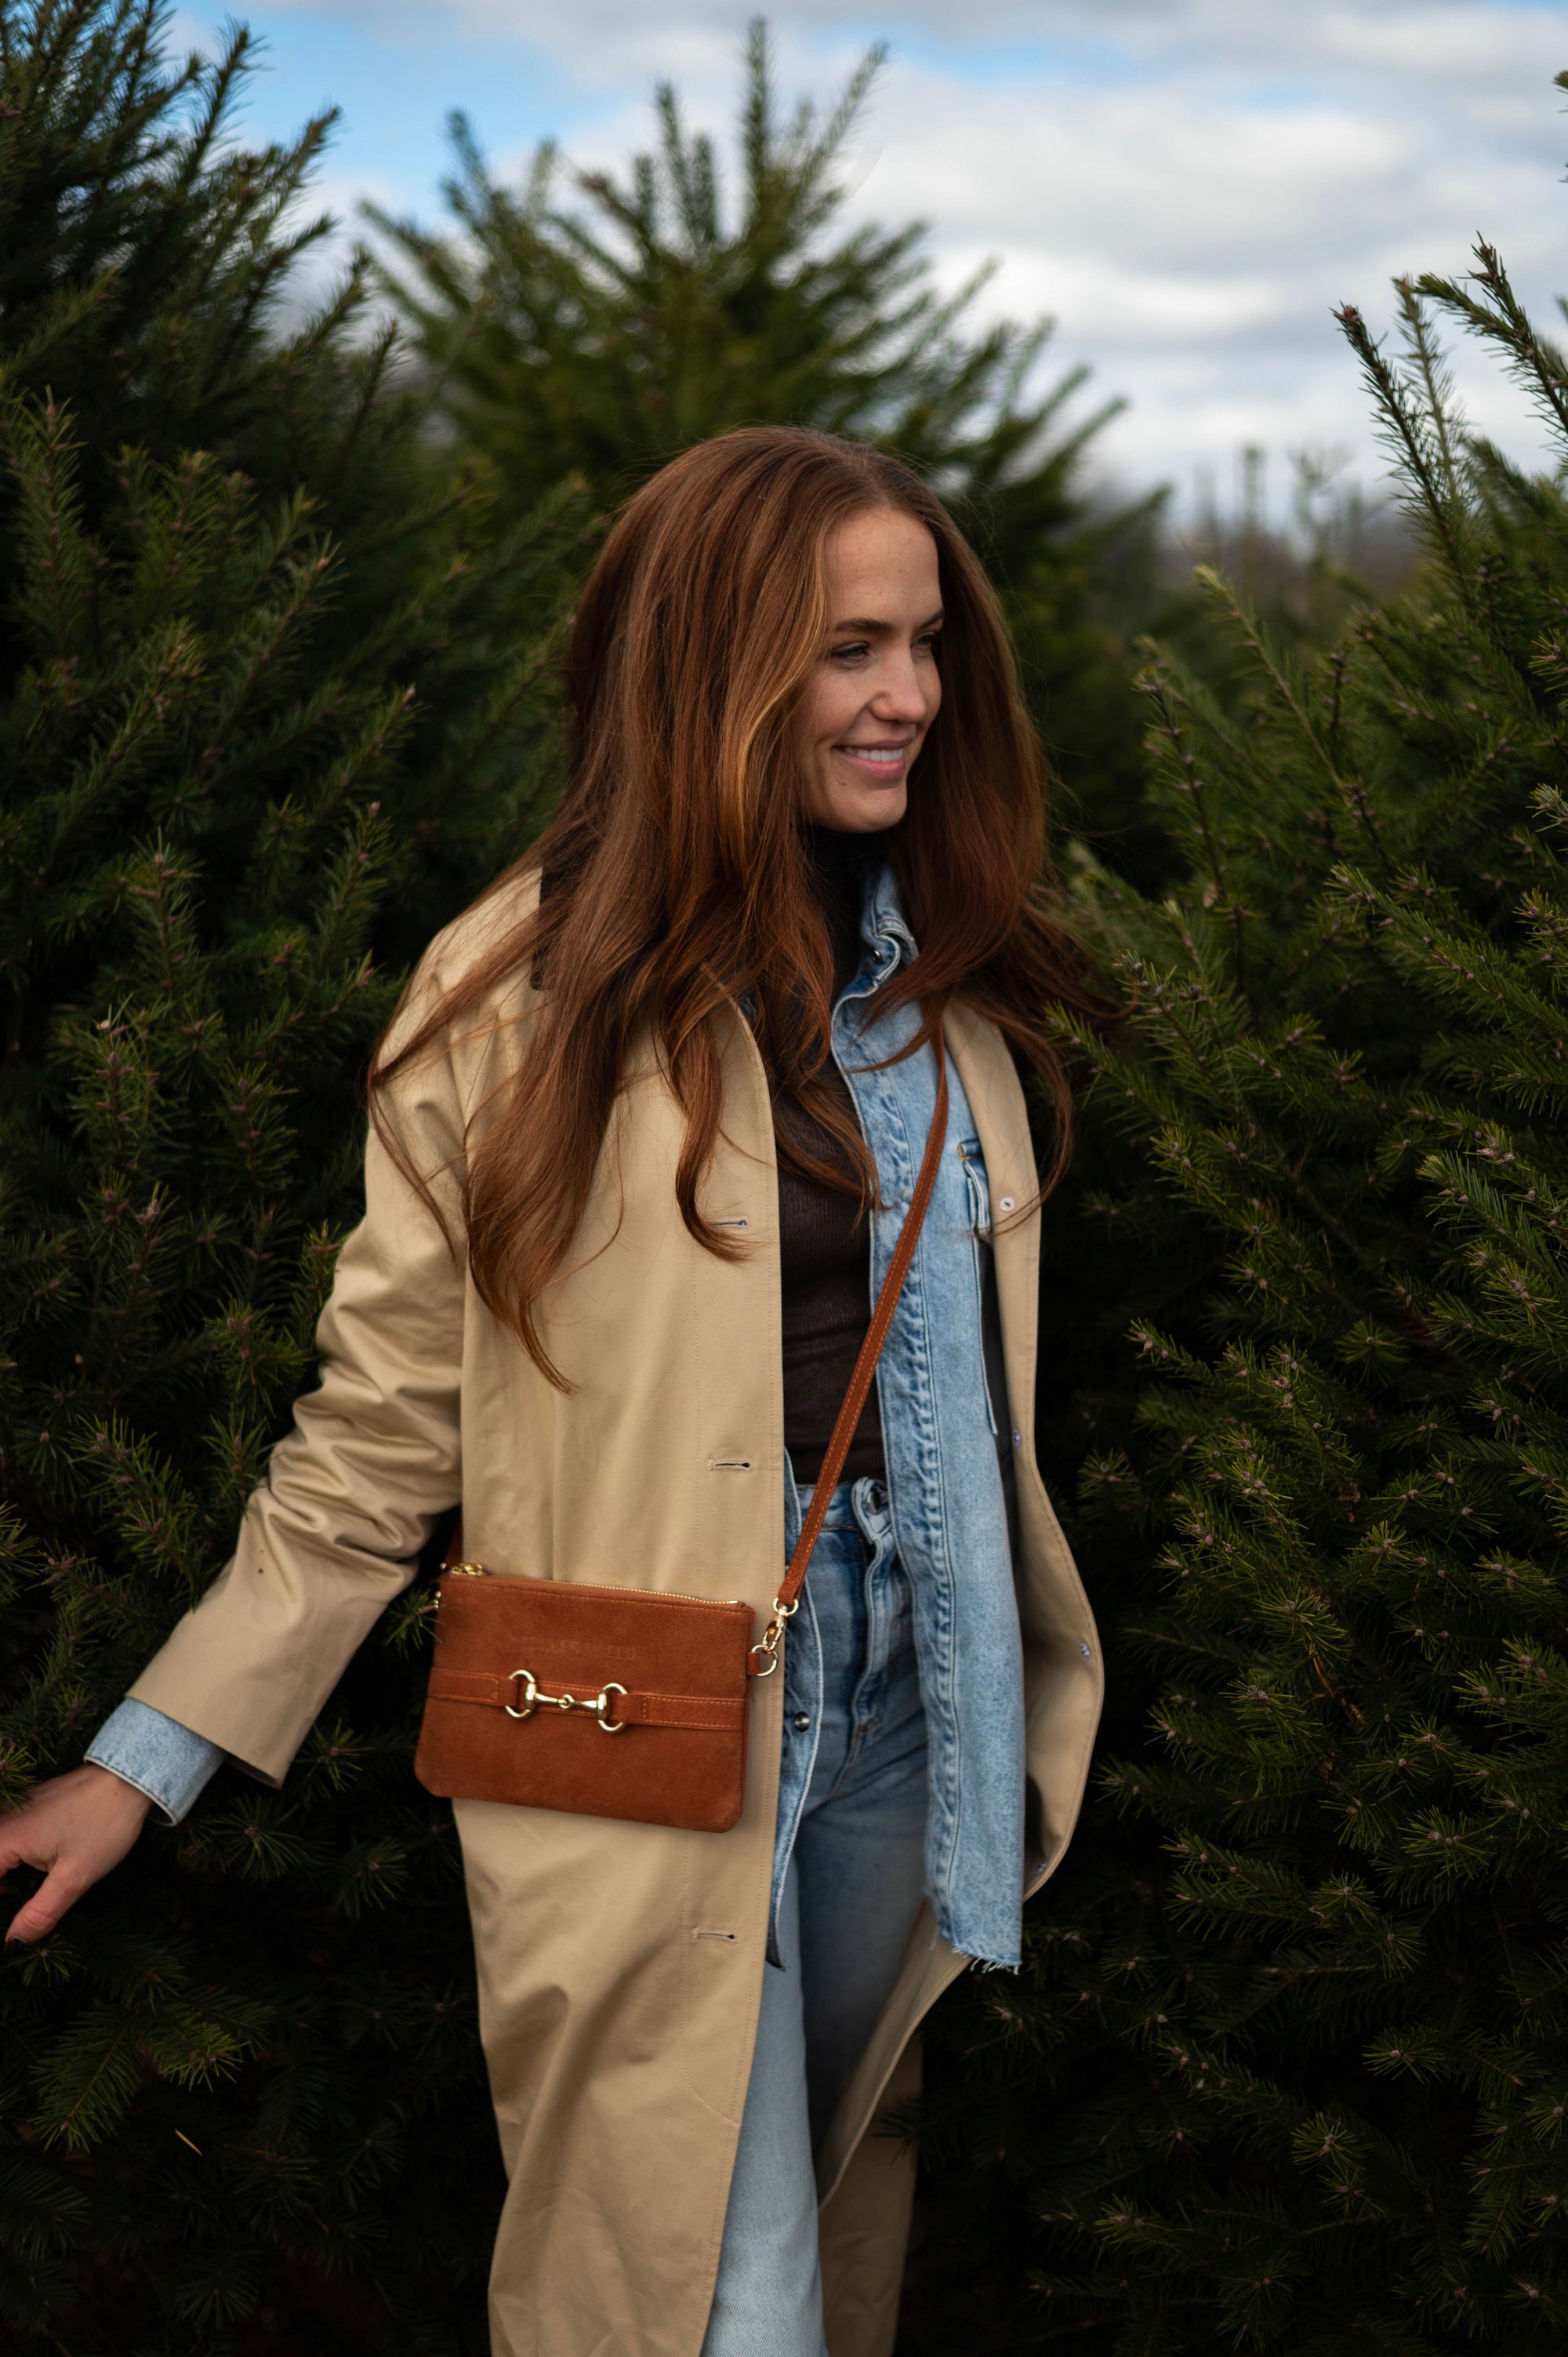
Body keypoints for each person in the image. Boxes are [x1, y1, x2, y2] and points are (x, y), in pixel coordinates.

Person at [0, 427, 1103, 2357]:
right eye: (852, 648)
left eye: (924, 644)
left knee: (830, 2228)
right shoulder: (513, 996)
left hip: (917, 1688)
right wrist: (147, 1755)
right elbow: (378, 1432)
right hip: (641, 1711)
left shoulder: (948, 993)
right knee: (696, 2292)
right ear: (714, 663)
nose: (910, 695)